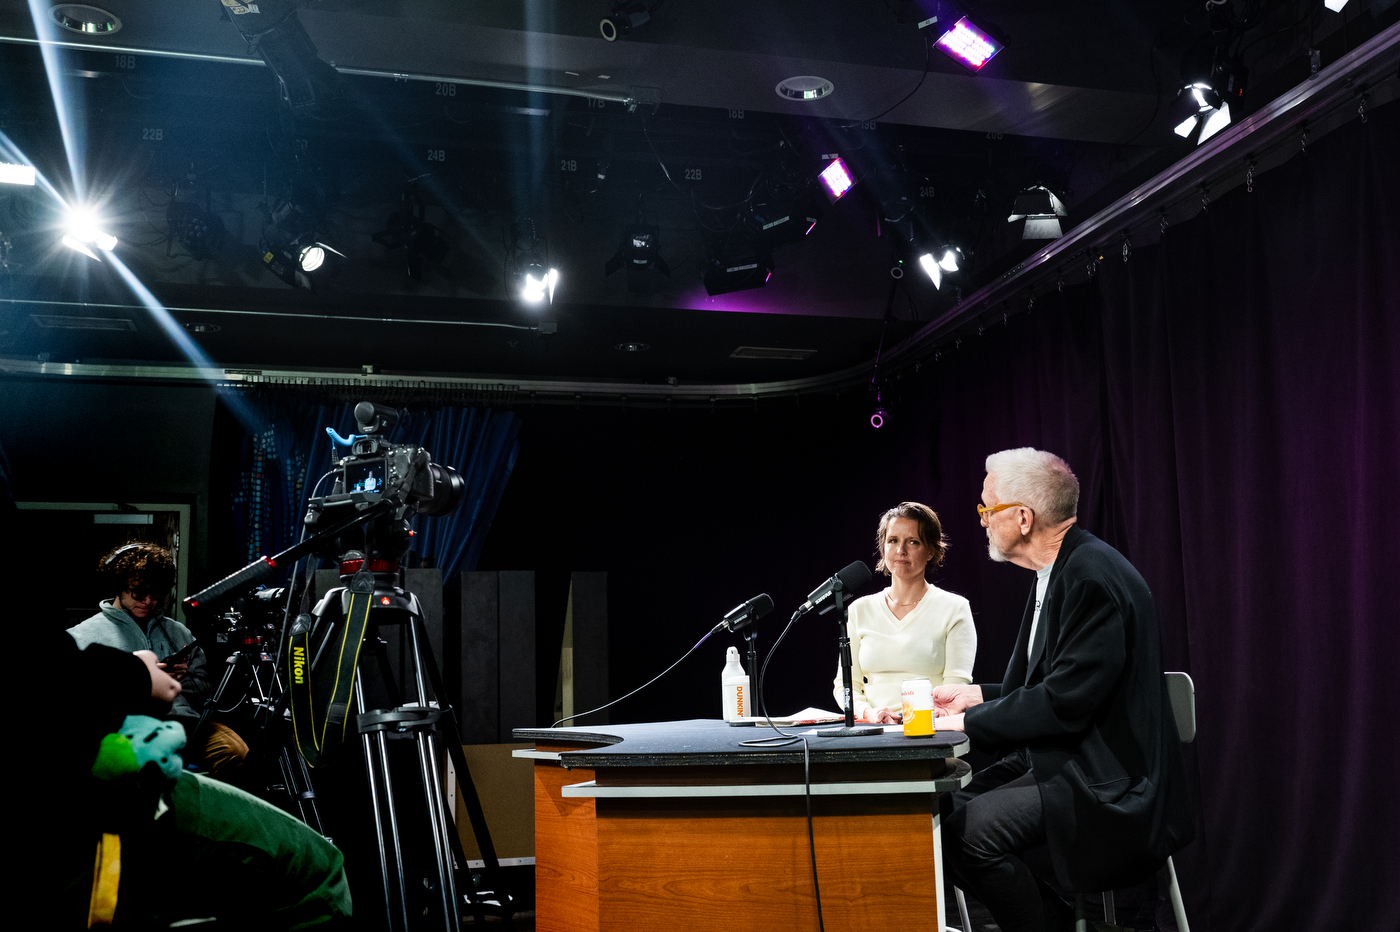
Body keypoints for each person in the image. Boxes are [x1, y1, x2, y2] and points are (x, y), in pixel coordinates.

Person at [933, 448, 1194, 932]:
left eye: (986, 510)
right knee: (937, 816)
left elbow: (1064, 703)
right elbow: (1057, 684)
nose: (983, 521)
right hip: (1066, 758)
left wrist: (960, 724)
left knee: (966, 838)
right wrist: (976, 698)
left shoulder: (1089, 576)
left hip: (1109, 780)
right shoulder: (1055, 572)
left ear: (1023, 518)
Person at [68, 542, 249, 775]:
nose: (147, 601)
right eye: (139, 592)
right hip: (124, 727)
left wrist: (179, 680)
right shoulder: (83, 636)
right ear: (118, 586)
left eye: (155, 594)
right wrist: (142, 679)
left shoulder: (178, 632)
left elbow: (206, 688)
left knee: (236, 753)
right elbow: (79, 699)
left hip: (186, 723)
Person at [833, 502, 976, 724]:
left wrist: (913, 721)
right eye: (893, 541)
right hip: (873, 728)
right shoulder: (859, 610)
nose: (901, 550)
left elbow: (956, 688)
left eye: (913, 542)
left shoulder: (954, 608)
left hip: (929, 727)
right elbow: (845, 685)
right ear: (883, 547)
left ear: (930, 550)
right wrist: (867, 712)